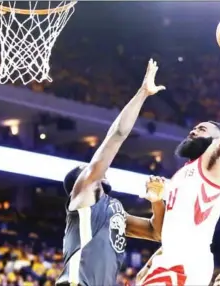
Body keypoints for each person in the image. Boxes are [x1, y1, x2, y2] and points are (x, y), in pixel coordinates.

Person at [138, 16, 220, 286]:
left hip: (186, 265)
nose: (193, 131)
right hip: (166, 261)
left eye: (202, 129)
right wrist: (154, 203)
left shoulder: (215, 161)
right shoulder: (181, 175)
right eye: (194, 128)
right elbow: (162, 232)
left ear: (219, 139)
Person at [56, 59, 167, 286]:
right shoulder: (83, 194)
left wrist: (156, 202)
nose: (96, 168)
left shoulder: (112, 210)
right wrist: (143, 93)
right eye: (88, 169)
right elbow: (116, 136)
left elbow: (156, 233)